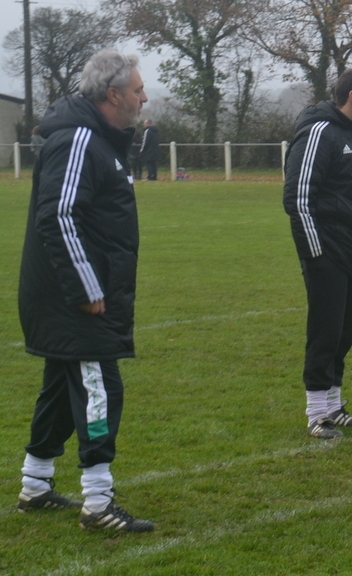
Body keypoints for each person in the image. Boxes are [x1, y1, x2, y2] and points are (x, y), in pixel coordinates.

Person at [17, 50, 154, 532]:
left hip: (77, 292)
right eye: (137, 90)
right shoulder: (78, 138)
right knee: (101, 388)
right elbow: (58, 215)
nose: (143, 98)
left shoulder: (99, 140)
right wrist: (85, 286)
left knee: (60, 388)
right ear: (113, 95)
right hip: (74, 297)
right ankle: (98, 502)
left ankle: (35, 484)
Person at [283, 69, 352, 439]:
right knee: (325, 332)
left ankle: (334, 406)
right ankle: (316, 413)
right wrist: (317, 253)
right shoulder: (319, 132)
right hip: (328, 252)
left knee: (344, 332)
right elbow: (297, 198)